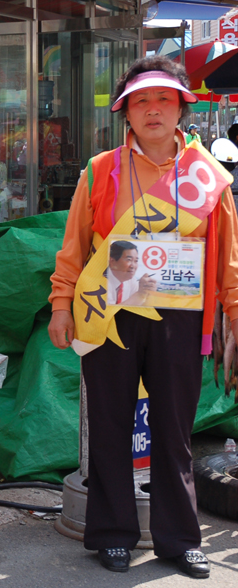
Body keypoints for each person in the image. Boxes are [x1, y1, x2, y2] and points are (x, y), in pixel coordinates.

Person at [48, 56, 238, 579]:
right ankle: (111, 533)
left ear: (180, 108)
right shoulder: (100, 169)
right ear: (126, 112)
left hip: (181, 315)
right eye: (141, 101)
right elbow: (73, 248)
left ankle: (180, 538)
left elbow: (229, 260)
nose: (153, 109)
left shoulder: (209, 177)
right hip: (111, 312)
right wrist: (62, 305)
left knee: (174, 429)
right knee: (109, 423)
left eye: (164, 99)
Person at [105, 241, 155, 306]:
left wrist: (148, 293)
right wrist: (141, 293)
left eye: (136, 261)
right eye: (129, 260)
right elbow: (110, 311)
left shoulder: (131, 280)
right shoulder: (102, 282)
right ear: (112, 261)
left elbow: (138, 305)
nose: (133, 266)